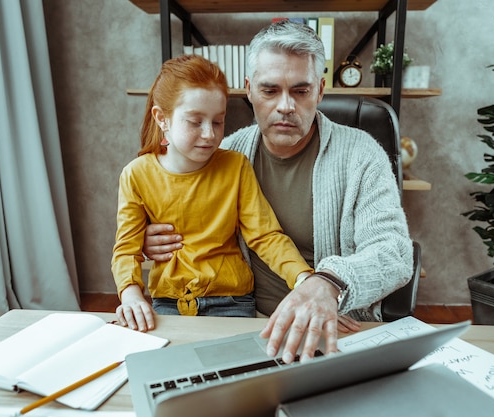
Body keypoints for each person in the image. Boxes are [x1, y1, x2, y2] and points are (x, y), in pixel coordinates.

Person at [141, 20, 413, 364]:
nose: (285, 106)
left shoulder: (361, 153)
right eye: (270, 91)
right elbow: (182, 214)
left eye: (300, 91)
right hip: (242, 322)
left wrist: (329, 285)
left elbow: (395, 254)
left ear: (320, 90)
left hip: (335, 326)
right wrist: (154, 239)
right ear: (249, 90)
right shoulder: (225, 154)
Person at [112, 55, 313, 326]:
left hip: (233, 301)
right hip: (169, 301)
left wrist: (302, 277)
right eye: (195, 122)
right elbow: (126, 250)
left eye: (217, 121)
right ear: (162, 119)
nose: (209, 134)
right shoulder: (136, 175)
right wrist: (131, 294)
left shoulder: (235, 166)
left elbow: (265, 236)